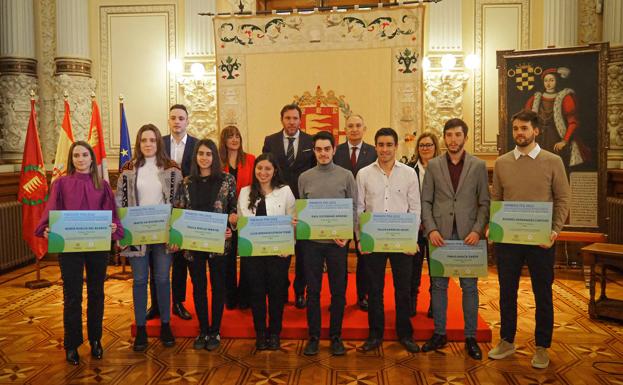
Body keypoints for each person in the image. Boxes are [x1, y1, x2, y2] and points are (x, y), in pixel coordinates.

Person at [488, 110, 570, 369]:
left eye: (524, 128)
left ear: (535, 131)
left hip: (541, 241)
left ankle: (542, 346)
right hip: (509, 240)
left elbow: (563, 198)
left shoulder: (553, 161)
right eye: (515, 128)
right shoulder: (502, 162)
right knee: (506, 292)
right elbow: (496, 199)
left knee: (542, 293)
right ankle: (507, 340)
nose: (519, 133)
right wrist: (494, 226)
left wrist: (555, 230)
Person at [35, 141, 123, 365]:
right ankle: (72, 344)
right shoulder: (61, 184)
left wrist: (113, 226)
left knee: (97, 294)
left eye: (85, 155)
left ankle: (95, 340)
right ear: (71, 159)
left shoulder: (102, 185)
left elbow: (112, 215)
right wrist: (46, 229)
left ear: (92, 158)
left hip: (97, 248)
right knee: (72, 296)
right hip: (69, 248)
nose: (81, 159)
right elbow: (51, 210)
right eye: (76, 155)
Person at [420, 119, 490, 360]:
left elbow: (485, 202)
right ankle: (439, 333)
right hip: (440, 234)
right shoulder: (434, 166)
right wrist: (431, 230)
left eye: (457, 135)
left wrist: (478, 230)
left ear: (465, 137)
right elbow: (426, 201)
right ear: (444, 138)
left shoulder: (479, 166)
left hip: (469, 236)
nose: (453, 139)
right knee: (438, 286)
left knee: (469, 287)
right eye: (448, 135)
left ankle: (470, 337)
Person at [116, 124, 183, 351]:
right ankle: (141, 329)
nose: (148, 144)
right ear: (138, 143)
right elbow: (119, 202)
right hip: (137, 234)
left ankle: (165, 324)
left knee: (163, 279)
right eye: (144, 140)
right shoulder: (128, 168)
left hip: (164, 233)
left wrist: (176, 232)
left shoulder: (172, 169)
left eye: (152, 140)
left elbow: (179, 203)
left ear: (158, 142)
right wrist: (120, 231)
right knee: (139, 280)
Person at [356, 127, 421, 353]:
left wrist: (412, 239)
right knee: (374, 290)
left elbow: (415, 208)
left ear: (396, 146)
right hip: (373, 240)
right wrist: (360, 239)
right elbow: (359, 208)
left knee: (402, 289)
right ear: (376, 147)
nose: (385, 149)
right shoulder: (363, 173)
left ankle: (405, 334)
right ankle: (375, 335)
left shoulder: (409, 174)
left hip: (402, 240)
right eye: (381, 145)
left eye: (389, 145)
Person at [173, 139, 237, 351]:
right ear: (195, 157)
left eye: (209, 154)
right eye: (201, 153)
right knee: (199, 288)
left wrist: (231, 227)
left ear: (215, 157)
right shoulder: (186, 182)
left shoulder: (228, 180)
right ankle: (203, 329)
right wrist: (176, 237)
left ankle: (215, 330)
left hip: (219, 243)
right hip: (193, 245)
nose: (204, 157)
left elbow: (233, 210)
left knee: (218, 287)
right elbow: (178, 211)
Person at [298, 131, 357, 356]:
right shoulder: (304, 177)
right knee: (312, 291)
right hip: (311, 244)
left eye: (327, 149)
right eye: (318, 149)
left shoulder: (346, 176)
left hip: (337, 243)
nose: (323, 153)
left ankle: (336, 336)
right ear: (314, 151)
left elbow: (353, 206)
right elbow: (302, 207)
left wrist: (347, 234)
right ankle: (313, 336)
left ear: (334, 150)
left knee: (338, 291)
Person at [236, 153, 295, 350]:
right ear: (254, 170)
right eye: (259, 168)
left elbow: (293, 221)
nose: (263, 172)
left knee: (277, 293)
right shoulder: (245, 192)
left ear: (274, 170)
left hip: (279, 254)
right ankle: (260, 333)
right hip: (252, 254)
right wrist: (233, 222)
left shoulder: (285, 191)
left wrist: (288, 246)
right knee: (256, 293)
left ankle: (275, 333)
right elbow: (240, 223)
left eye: (267, 169)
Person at [146, 104, 198, 321]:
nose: (177, 121)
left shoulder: (196, 145)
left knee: (179, 261)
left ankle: (177, 302)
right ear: (169, 121)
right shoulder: (159, 144)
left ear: (187, 121)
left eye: (181, 118)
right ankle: (156, 304)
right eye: (173, 118)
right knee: (155, 259)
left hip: (183, 210)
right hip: (159, 209)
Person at [262, 104, 315, 309]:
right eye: (287, 118)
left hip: (303, 203)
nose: (291, 122)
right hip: (277, 200)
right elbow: (266, 167)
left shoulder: (311, 141)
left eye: (295, 118)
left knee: (302, 252)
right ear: (281, 119)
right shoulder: (270, 140)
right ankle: (280, 289)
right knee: (280, 248)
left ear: (300, 120)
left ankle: (300, 291)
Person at [333, 114, 377, 311]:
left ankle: (363, 296)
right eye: (350, 126)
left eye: (358, 125)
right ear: (345, 128)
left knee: (365, 259)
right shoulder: (336, 151)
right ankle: (339, 297)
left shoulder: (375, 152)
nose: (354, 129)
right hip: (340, 213)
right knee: (339, 259)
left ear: (364, 128)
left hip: (365, 213)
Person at [219, 125, 255, 310]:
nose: (234, 139)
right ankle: (230, 296)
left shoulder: (250, 159)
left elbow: (255, 185)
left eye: (237, 136)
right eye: (230, 136)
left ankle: (245, 297)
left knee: (248, 257)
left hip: (246, 213)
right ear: (224, 140)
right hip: (224, 215)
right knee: (228, 257)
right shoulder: (217, 161)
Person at [524, 67, 589, 170]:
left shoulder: (564, 97)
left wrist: (564, 141)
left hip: (556, 139)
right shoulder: (536, 98)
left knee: (555, 168)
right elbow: (526, 120)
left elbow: (573, 123)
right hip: (538, 138)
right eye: (546, 80)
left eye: (551, 80)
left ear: (557, 81)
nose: (548, 83)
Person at [411, 132, 441, 318]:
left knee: (436, 269)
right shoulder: (408, 169)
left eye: (429, 145)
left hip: (436, 228)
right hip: (414, 228)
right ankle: (411, 302)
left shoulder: (443, 169)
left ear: (435, 147)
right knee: (412, 269)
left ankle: (434, 304)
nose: (425, 148)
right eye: (422, 145)